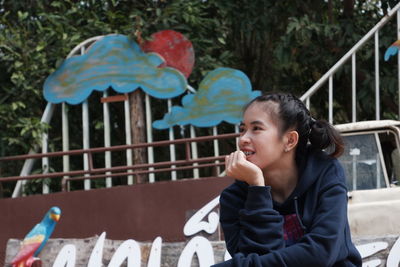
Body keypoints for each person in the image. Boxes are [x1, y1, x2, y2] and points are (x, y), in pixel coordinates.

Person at [213, 93, 362, 266]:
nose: (243, 139)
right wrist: (257, 188)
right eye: (242, 129)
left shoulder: (325, 174)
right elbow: (254, 256)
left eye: (256, 129)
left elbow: (321, 253)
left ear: (290, 140)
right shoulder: (234, 198)